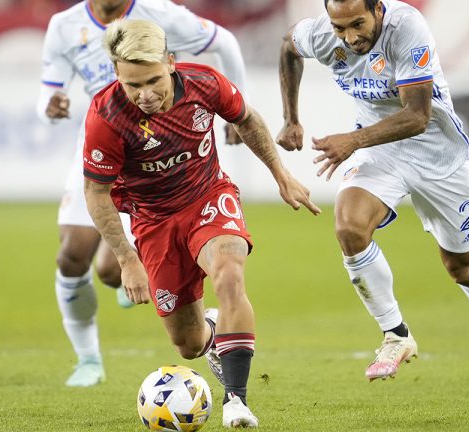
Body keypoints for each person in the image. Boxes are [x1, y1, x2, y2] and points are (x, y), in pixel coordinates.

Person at [83, 18, 320, 428]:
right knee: (188, 344)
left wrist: (281, 175)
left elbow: (247, 119)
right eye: (132, 85)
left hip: (207, 197)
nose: (144, 94)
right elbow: (96, 193)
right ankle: (213, 331)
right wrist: (126, 259)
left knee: (229, 275)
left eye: (153, 81)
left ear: (171, 63)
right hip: (153, 221)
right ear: (117, 76)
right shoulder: (107, 115)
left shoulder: (204, 84)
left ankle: (236, 401)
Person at [277, 0, 469, 390]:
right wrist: (291, 118)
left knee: (462, 268)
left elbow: (417, 115)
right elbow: (288, 46)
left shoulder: (407, 28)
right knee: (349, 227)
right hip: (381, 151)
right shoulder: (324, 34)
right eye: (340, 28)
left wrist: (352, 140)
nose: (349, 37)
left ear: (378, 9)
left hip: (437, 155)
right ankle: (396, 334)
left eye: (357, 24)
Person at [37, 0, 249, 387]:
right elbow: (48, 91)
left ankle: (186, 305)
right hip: (103, 143)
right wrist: (49, 106)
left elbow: (226, 43)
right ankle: (88, 359)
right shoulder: (64, 25)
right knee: (72, 255)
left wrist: (239, 107)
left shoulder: (161, 14)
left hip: (160, 153)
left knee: (110, 269)